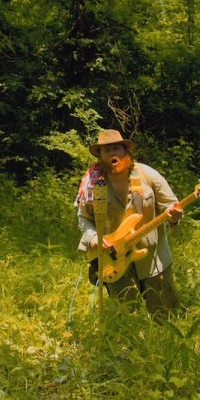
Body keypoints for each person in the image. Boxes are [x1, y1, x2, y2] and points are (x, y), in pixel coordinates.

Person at [76, 129, 181, 317]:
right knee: (125, 317)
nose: (112, 154)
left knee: (164, 317)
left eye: (116, 148)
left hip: (154, 259)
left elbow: (171, 205)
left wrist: (174, 216)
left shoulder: (148, 175)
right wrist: (92, 238)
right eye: (106, 151)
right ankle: (127, 347)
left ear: (126, 152)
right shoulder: (92, 184)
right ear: (100, 156)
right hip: (114, 260)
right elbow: (84, 218)